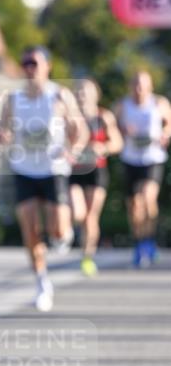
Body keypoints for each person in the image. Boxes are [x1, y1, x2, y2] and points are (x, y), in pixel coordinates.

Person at [0, 46, 88, 312]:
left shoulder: (59, 95)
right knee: (30, 230)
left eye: (34, 63)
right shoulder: (13, 98)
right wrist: (0, 136)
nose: (29, 69)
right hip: (23, 168)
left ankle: (64, 232)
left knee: (58, 230)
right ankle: (42, 282)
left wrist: (73, 150)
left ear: (47, 65)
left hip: (53, 169)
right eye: (25, 64)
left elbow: (81, 130)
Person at [116, 71, 171, 267]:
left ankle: (149, 241)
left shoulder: (159, 103)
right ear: (131, 86)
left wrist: (165, 134)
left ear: (150, 87)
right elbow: (113, 128)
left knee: (147, 198)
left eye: (143, 85)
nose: (139, 89)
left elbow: (169, 125)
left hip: (152, 158)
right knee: (134, 206)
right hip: (130, 159)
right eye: (135, 85)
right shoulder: (122, 105)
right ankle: (140, 242)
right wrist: (123, 130)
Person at [69, 79, 122, 276]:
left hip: (96, 171)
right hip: (74, 171)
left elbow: (118, 142)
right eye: (79, 91)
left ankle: (87, 256)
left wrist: (104, 147)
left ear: (95, 95)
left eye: (86, 92)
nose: (82, 95)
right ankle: (70, 233)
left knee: (91, 217)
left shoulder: (103, 117)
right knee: (78, 213)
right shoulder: (68, 118)